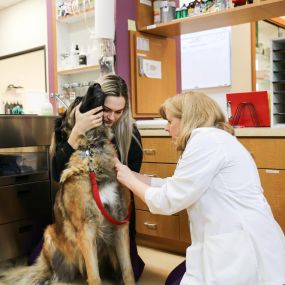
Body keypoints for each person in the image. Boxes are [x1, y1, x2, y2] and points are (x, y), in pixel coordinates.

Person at [114, 91, 285, 285]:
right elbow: (178, 185)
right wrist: (133, 175)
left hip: (242, 248)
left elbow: (168, 201)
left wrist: (129, 180)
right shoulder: (211, 139)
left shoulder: (206, 141)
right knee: (174, 279)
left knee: (174, 282)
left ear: (188, 119)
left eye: (170, 121)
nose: (166, 128)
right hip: (231, 240)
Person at [30, 74, 145, 281]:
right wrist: (77, 132)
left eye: (119, 111)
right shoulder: (70, 124)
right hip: (78, 215)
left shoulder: (131, 134)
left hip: (115, 215)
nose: (112, 117)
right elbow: (57, 174)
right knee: (40, 262)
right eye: (107, 110)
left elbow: (132, 184)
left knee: (128, 273)